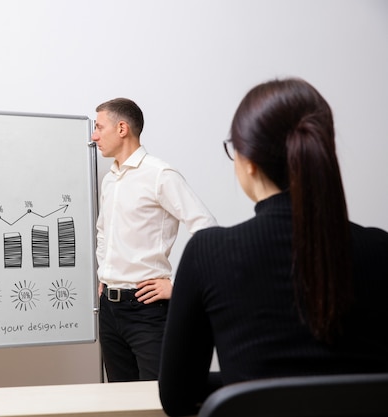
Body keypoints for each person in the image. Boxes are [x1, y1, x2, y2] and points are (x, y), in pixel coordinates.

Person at [158, 78, 388, 416]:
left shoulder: (208, 254)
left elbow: (178, 397)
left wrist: (247, 383)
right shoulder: (380, 249)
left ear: (248, 161)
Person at [92, 97, 217, 382]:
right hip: (110, 311)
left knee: (157, 399)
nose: (94, 135)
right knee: (121, 403)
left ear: (122, 128)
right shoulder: (110, 179)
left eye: (99, 127)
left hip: (147, 310)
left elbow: (207, 231)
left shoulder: (160, 174)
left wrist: (182, 287)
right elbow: (103, 230)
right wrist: (104, 273)